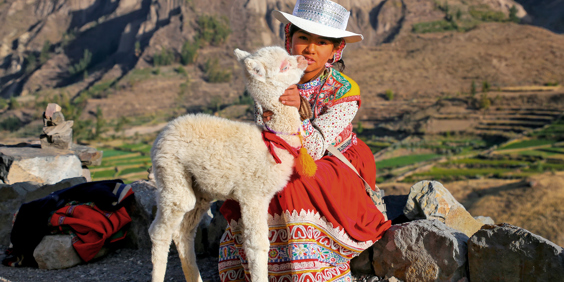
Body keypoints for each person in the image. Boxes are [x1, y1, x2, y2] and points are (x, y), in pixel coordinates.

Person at [218, 0, 391, 281]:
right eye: (303, 38)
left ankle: (311, 270)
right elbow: (265, 132)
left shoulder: (345, 92)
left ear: (336, 50)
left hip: (333, 160)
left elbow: (313, 148)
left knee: (293, 181)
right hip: (285, 154)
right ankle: (257, 268)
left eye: (322, 42)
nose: (310, 48)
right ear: (289, 37)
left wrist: (295, 111)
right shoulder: (272, 80)